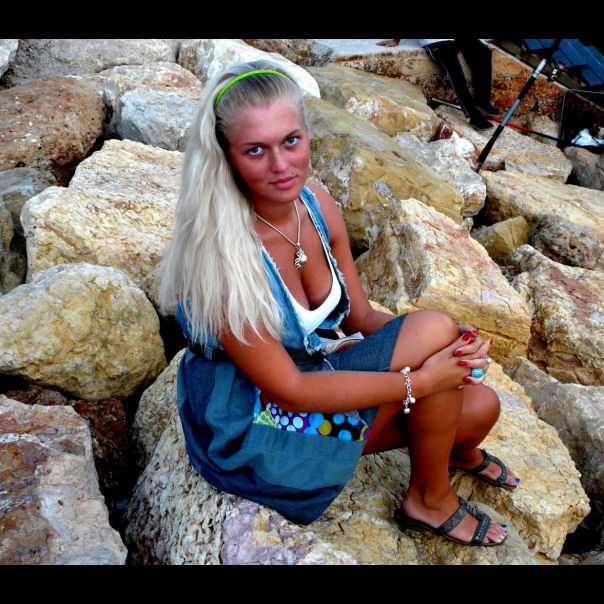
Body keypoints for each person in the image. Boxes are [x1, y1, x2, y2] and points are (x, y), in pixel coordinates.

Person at [158, 60, 518, 547]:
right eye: (255, 150)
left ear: (308, 135)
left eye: (291, 141)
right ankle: (430, 500)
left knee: (478, 404)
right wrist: (421, 380)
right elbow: (290, 391)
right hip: (253, 421)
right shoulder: (224, 258)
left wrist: (457, 349)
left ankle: (447, 452)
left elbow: (360, 316)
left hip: (311, 374)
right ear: (227, 157)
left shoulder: (316, 206)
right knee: (437, 347)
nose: (281, 165)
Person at [377, 38, 499, 131]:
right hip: (435, 41)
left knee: (484, 52)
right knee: (454, 69)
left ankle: (482, 101)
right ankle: (474, 115)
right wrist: (396, 40)